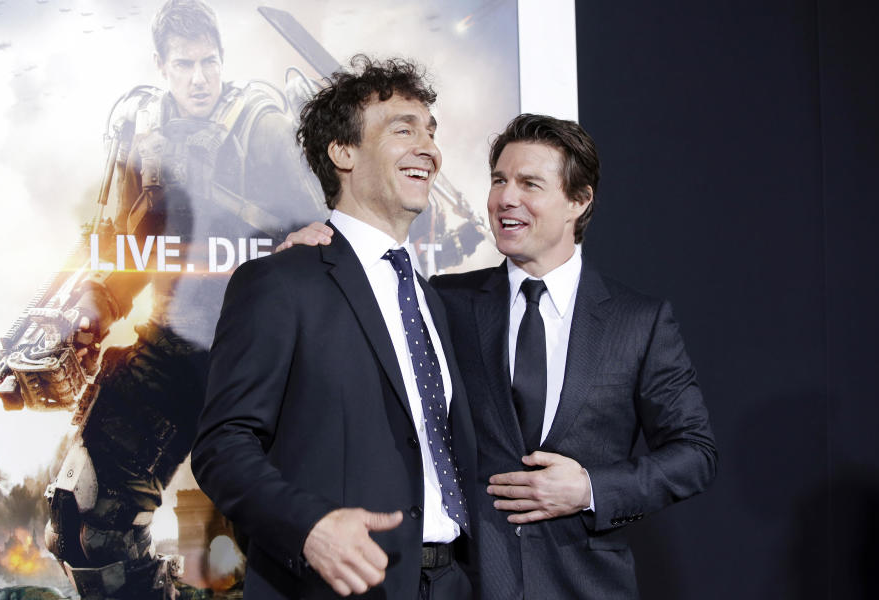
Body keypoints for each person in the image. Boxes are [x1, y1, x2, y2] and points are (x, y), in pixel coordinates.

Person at [283, 114, 718, 598]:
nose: (506, 198)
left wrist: (590, 488)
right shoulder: (441, 302)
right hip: (473, 584)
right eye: (498, 180)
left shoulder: (640, 322)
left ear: (579, 200)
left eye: (529, 183)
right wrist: (314, 261)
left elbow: (695, 454)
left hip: (586, 585)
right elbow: (357, 315)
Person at [27, 1, 326, 598]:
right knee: (83, 518)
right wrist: (79, 322)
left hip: (258, 357)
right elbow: (121, 253)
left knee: (293, 534)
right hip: (170, 348)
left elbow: (327, 230)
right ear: (161, 65)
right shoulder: (140, 132)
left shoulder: (261, 126)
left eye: (209, 63)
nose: (199, 78)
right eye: (185, 64)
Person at [192, 55, 477, 600]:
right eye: (403, 129)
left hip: (453, 584)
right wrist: (310, 528)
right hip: (336, 588)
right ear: (343, 152)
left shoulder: (433, 301)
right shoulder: (279, 282)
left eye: (431, 132)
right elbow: (222, 446)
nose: (429, 149)